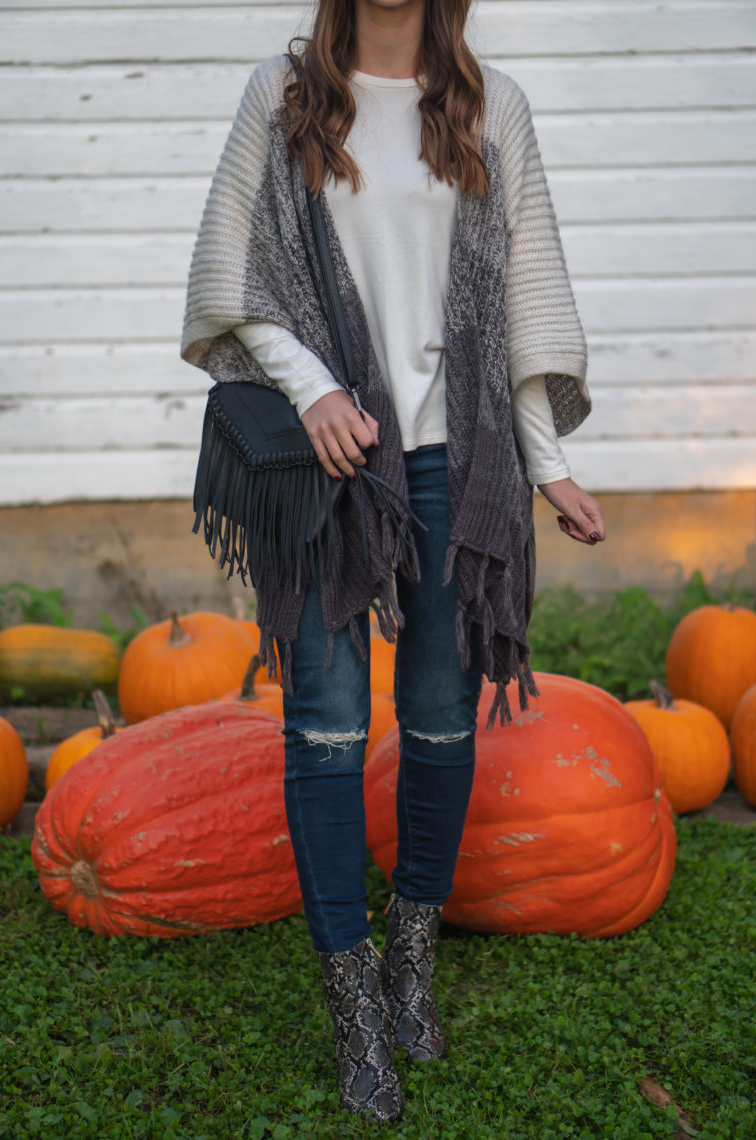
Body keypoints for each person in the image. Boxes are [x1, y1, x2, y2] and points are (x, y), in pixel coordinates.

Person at [181, 0, 605, 1123]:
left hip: (450, 463)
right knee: (322, 727)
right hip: (328, 461)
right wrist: (313, 387)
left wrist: (546, 461)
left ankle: (411, 956)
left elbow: (520, 294)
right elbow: (241, 278)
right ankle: (352, 1003)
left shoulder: (487, 106)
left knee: (439, 720)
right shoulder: (279, 100)